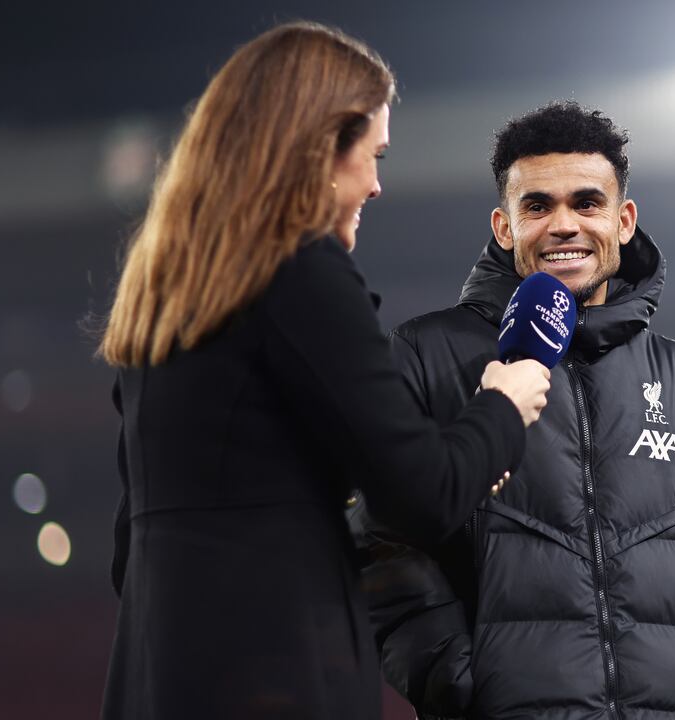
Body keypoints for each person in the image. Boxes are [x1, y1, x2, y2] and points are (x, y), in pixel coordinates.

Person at [97, 22, 550, 720]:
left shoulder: (161, 297)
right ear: (316, 151)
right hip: (276, 676)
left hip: (156, 680)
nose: (375, 185)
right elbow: (422, 493)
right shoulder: (302, 275)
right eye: (373, 155)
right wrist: (503, 404)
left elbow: (129, 557)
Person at [353, 101, 675, 719]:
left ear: (623, 220)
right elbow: (383, 543)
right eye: (537, 206)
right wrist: (461, 684)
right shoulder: (423, 357)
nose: (564, 225)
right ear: (504, 227)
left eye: (586, 203)